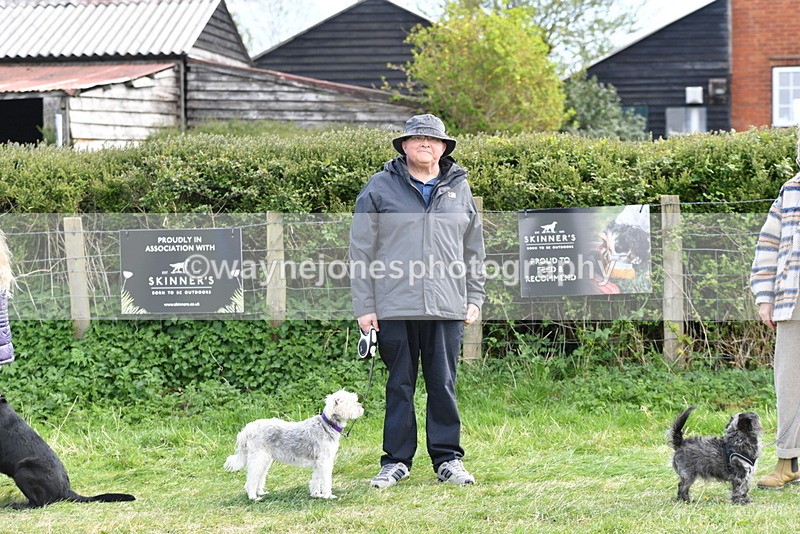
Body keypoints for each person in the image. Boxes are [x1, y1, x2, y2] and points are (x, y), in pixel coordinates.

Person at [349, 114, 486, 488]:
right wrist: (365, 306)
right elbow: (360, 251)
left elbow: (474, 249)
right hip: (393, 304)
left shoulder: (460, 189)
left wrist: (475, 296)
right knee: (400, 386)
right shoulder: (378, 188)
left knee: (443, 384)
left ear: (443, 148)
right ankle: (395, 461)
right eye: (417, 138)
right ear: (404, 146)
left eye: (433, 139)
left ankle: (447, 460)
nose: (425, 144)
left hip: (446, 304)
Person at [751, 139, 800, 489]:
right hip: (792, 302)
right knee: (790, 385)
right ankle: (788, 461)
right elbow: (768, 246)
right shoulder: (790, 190)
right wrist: (764, 298)